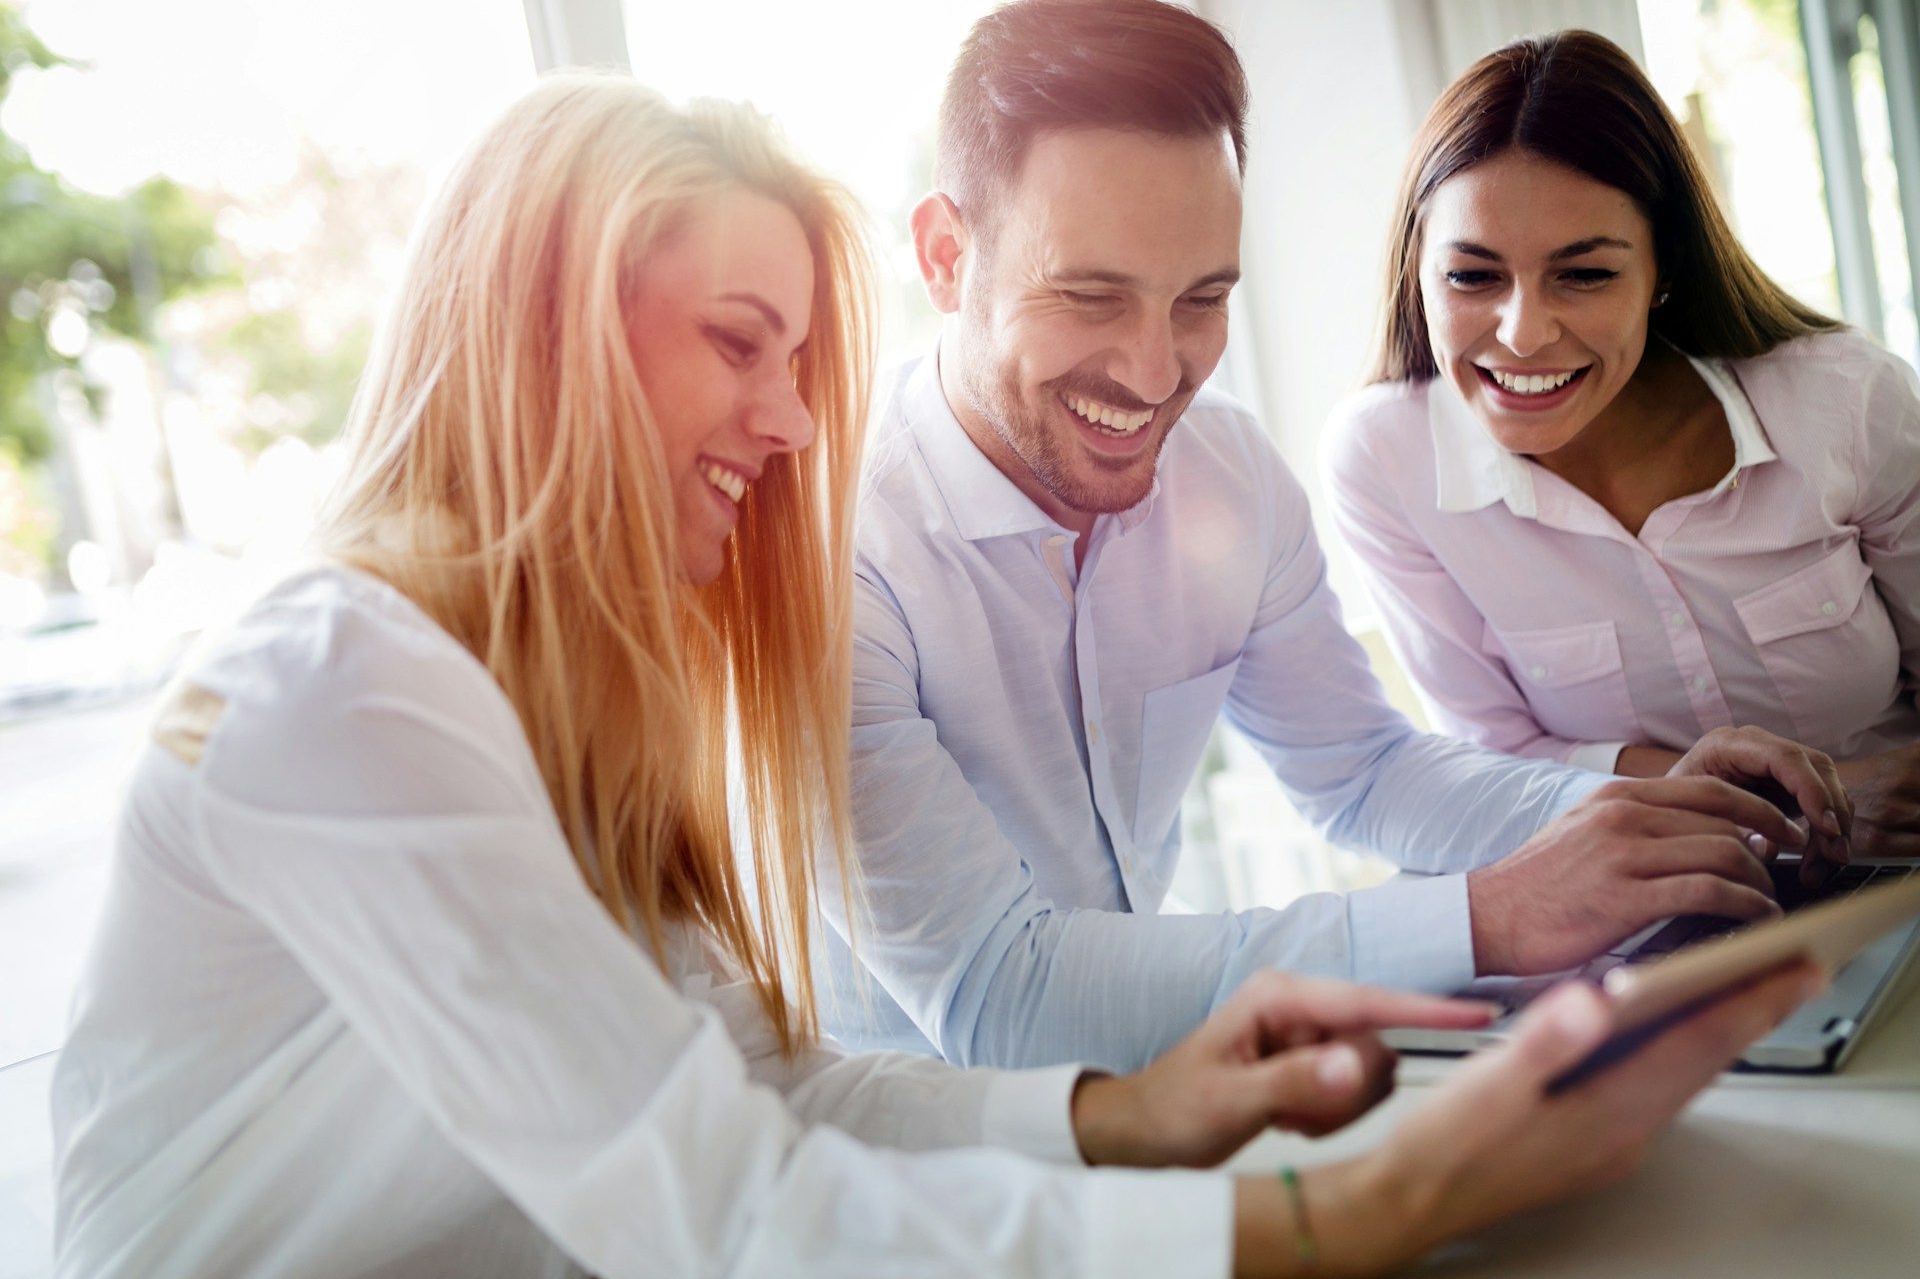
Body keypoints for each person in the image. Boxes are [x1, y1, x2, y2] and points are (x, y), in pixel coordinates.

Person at [48, 71, 1828, 1279]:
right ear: (540, 335)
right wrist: (1349, 1206)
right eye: (740, 344)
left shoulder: (566, 695)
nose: (792, 417)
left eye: (801, 356)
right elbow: (726, 1211)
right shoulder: (345, 676)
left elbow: (766, 1090)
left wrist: (1134, 1114)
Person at [827, 0, 1846, 1069]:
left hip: (1154, 1094)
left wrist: (1653, 810)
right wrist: (1486, 916)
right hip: (899, 1156)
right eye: (1090, 295)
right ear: (945, 256)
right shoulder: (831, 555)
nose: (1155, 371)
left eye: (1201, 299)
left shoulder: (1227, 470)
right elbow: (999, 996)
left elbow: (1361, 771)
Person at [1322, 30, 1920, 868]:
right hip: (1645, 910)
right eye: (1472, 277)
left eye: (1585, 274)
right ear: (1417, 271)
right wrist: (1723, 796)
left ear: (1663, 268)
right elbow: (1493, 761)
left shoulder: (1844, 402)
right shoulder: (1384, 461)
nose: (1523, 334)